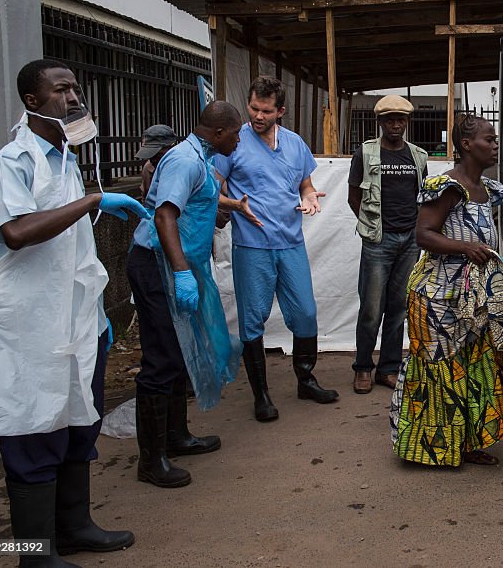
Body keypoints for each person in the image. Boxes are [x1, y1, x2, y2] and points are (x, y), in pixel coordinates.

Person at [0, 59, 143, 564]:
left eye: (75, 88)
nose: (73, 97)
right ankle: (34, 553)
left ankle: (76, 528)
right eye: (61, 90)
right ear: (32, 100)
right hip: (30, 324)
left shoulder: (64, 157)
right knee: (33, 428)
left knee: (77, 421)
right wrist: (92, 202)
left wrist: (96, 315)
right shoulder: (15, 160)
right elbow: (17, 233)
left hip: (74, 318)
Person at [390, 114, 503, 467]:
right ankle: (434, 450)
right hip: (436, 297)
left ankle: (467, 442)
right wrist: (465, 248)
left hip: (473, 297)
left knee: (471, 365)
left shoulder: (488, 190)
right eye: (489, 140)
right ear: (467, 145)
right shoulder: (446, 187)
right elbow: (423, 234)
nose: (495, 145)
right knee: (440, 370)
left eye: (495, 140)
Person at [127, 101, 246, 488]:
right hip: (159, 266)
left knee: (179, 352)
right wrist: (181, 273)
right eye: (235, 133)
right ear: (217, 133)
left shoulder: (202, 156)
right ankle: (151, 460)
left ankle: (176, 437)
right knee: (161, 358)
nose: (239, 139)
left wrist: (226, 210)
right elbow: (164, 215)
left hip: (181, 266)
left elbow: (198, 202)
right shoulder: (186, 160)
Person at [213, 76, 337, 422]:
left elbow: (306, 184)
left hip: (291, 242)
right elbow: (213, 190)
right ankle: (261, 395)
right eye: (253, 107)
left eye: (266, 110)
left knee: (306, 313)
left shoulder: (295, 144)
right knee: (253, 320)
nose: (257, 115)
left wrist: (310, 198)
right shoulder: (234, 144)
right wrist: (235, 206)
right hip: (252, 246)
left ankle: (306, 379)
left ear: (280, 111)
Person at [347, 95, 428, 394]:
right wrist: (372, 228)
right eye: (390, 119)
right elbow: (353, 195)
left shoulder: (418, 156)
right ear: (380, 122)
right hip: (378, 241)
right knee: (371, 308)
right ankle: (363, 368)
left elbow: (423, 197)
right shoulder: (366, 154)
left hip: (409, 241)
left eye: (401, 119)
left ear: (406, 122)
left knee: (399, 309)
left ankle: (389, 368)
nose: (396, 124)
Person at [135, 124, 179, 201]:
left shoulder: (188, 165)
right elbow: (146, 198)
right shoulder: (148, 168)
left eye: (158, 155)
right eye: (150, 156)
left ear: (172, 147)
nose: (153, 160)